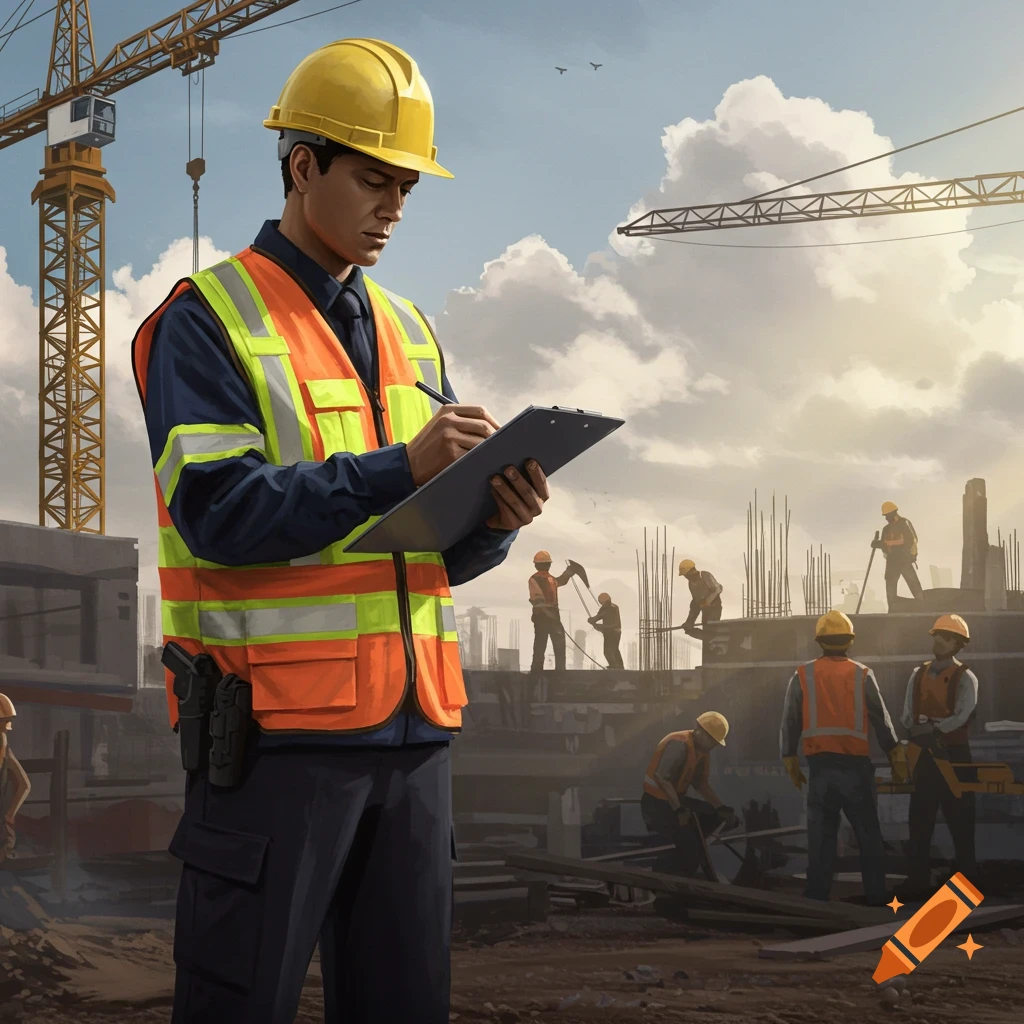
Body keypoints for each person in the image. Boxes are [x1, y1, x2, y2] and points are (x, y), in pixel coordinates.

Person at [131, 39, 552, 1024]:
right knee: (242, 1003)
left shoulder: (407, 329)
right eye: (374, 179)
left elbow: (409, 551)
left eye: (406, 186)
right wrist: (401, 465)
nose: (394, 207)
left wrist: (490, 520)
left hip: (412, 745)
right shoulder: (205, 321)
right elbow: (221, 510)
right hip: (276, 745)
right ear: (301, 165)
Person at [779, 610, 905, 906]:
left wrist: (789, 758)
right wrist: (895, 753)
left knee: (821, 838)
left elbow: (790, 721)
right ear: (849, 641)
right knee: (868, 835)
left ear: (819, 641)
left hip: (820, 769)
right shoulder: (862, 674)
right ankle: (876, 896)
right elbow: (881, 718)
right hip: (855, 768)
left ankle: (817, 896)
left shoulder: (802, 675)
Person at [898, 614, 979, 896]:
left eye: (944, 637)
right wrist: (918, 727)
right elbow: (907, 715)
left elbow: (962, 715)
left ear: (957, 643)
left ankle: (968, 879)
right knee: (920, 818)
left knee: (961, 818)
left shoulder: (965, 677)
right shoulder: (917, 674)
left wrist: (932, 728)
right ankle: (918, 880)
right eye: (936, 636)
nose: (938, 641)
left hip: (954, 754)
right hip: (923, 756)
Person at [641, 712, 740, 877]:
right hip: (655, 804)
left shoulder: (702, 752)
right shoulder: (679, 744)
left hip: (672, 801)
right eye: (712, 741)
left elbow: (700, 783)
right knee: (690, 847)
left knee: (712, 816)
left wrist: (721, 808)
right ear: (700, 732)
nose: (714, 746)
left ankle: (692, 847)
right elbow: (662, 777)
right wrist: (679, 810)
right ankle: (670, 875)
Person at [528, 550, 579, 675]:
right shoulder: (538, 579)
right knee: (550, 643)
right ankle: (548, 671)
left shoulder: (544, 579)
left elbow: (560, 581)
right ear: (548, 564)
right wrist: (551, 616)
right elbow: (539, 601)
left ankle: (544, 671)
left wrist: (568, 573)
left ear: (536, 565)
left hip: (547, 616)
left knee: (545, 643)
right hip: (545, 616)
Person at [874, 501, 924, 610]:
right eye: (885, 516)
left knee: (915, 589)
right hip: (892, 563)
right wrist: (878, 544)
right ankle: (892, 611)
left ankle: (923, 609)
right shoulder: (886, 529)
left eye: (887, 515)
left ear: (894, 513)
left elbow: (911, 540)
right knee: (891, 592)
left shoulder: (904, 523)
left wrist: (889, 543)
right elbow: (884, 545)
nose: (886, 518)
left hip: (904, 561)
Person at [0, 693, 31, 864]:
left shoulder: (5, 752)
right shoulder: (5, 751)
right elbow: (24, 785)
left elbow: (25, 785)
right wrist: (9, 816)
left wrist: (9, 816)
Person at [678, 559, 723, 632]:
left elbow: (717, 589)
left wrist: (707, 601)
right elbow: (696, 603)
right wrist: (690, 621)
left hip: (714, 607)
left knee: (711, 628)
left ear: (691, 572)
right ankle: (690, 624)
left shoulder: (704, 575)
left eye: (686, 574)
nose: (686, 577)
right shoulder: (691, 584)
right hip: (705, 609)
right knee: (705, 627)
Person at [588, 592, 624, 669]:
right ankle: (619, 666)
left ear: (602, 601)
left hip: (610, 632)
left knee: (608, 651)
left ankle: (615, 666)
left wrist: (591, 620)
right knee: (614, 649)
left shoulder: (606, 608)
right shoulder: (615, 607)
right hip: (616, 631)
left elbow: (598, 617)